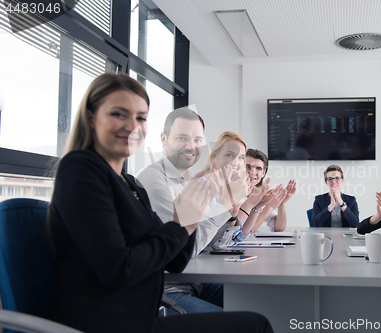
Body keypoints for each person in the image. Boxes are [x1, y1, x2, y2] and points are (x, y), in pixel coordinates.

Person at [46, 73, 273, 333]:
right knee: (257, 325)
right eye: (119, 114)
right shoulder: (81, 168)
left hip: (139, 314)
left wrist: (189, 219)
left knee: (261, 310)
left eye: (141, 117)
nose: (132, 125)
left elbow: (175, 260)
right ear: (91, 117)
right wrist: (185, 221)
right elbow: (119, 269)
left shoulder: (129, 185)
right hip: (111, 322)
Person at [137, 112, 248, 314]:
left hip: (195, 283)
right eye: (182, 138)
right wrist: (225, 204)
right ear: (164, 139)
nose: (191, 146)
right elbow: (180, 254)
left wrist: (229, 212)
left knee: (260, 300)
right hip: (168, 291)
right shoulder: (154, 181)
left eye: (197, 139)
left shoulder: (186, 179)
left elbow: (208, 242)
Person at [245, 148, 297, 232]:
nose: (252, 172)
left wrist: (281, 203)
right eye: (248, 167)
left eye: (258, 168)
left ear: (263, 173)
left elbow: (279, 228)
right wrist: (269, 207)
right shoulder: (232, 193)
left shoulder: (258, 194)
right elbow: (244, 231)